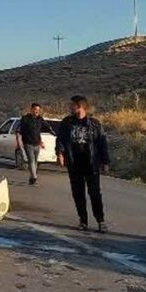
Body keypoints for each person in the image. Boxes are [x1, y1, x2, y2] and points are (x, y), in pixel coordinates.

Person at [56, 95, 111, 233]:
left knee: (95, 193)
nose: (70, 107)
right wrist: (60, 154)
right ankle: (83, 220)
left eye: (72, 105)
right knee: (78, 193)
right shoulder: (66, 123)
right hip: (74, 164)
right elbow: (61, 140)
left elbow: (102, 143)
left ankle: (100, 221)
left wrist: (105, 161)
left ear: (80, 106)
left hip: (91, 164)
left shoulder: (95, 124)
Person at [16, 102, 47, 186]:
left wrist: (42, 142)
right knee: (31, 161)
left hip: (37, 144)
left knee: (35, 162)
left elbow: (46, 128)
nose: (37, 111)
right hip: (28, 143)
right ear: (31, 109)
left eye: (38, 110)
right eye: (35, 109)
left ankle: (31, 178)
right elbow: (19, 130)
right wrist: (19, 141)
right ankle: (34, 177)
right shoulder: (25, 119)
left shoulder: (40, 119)